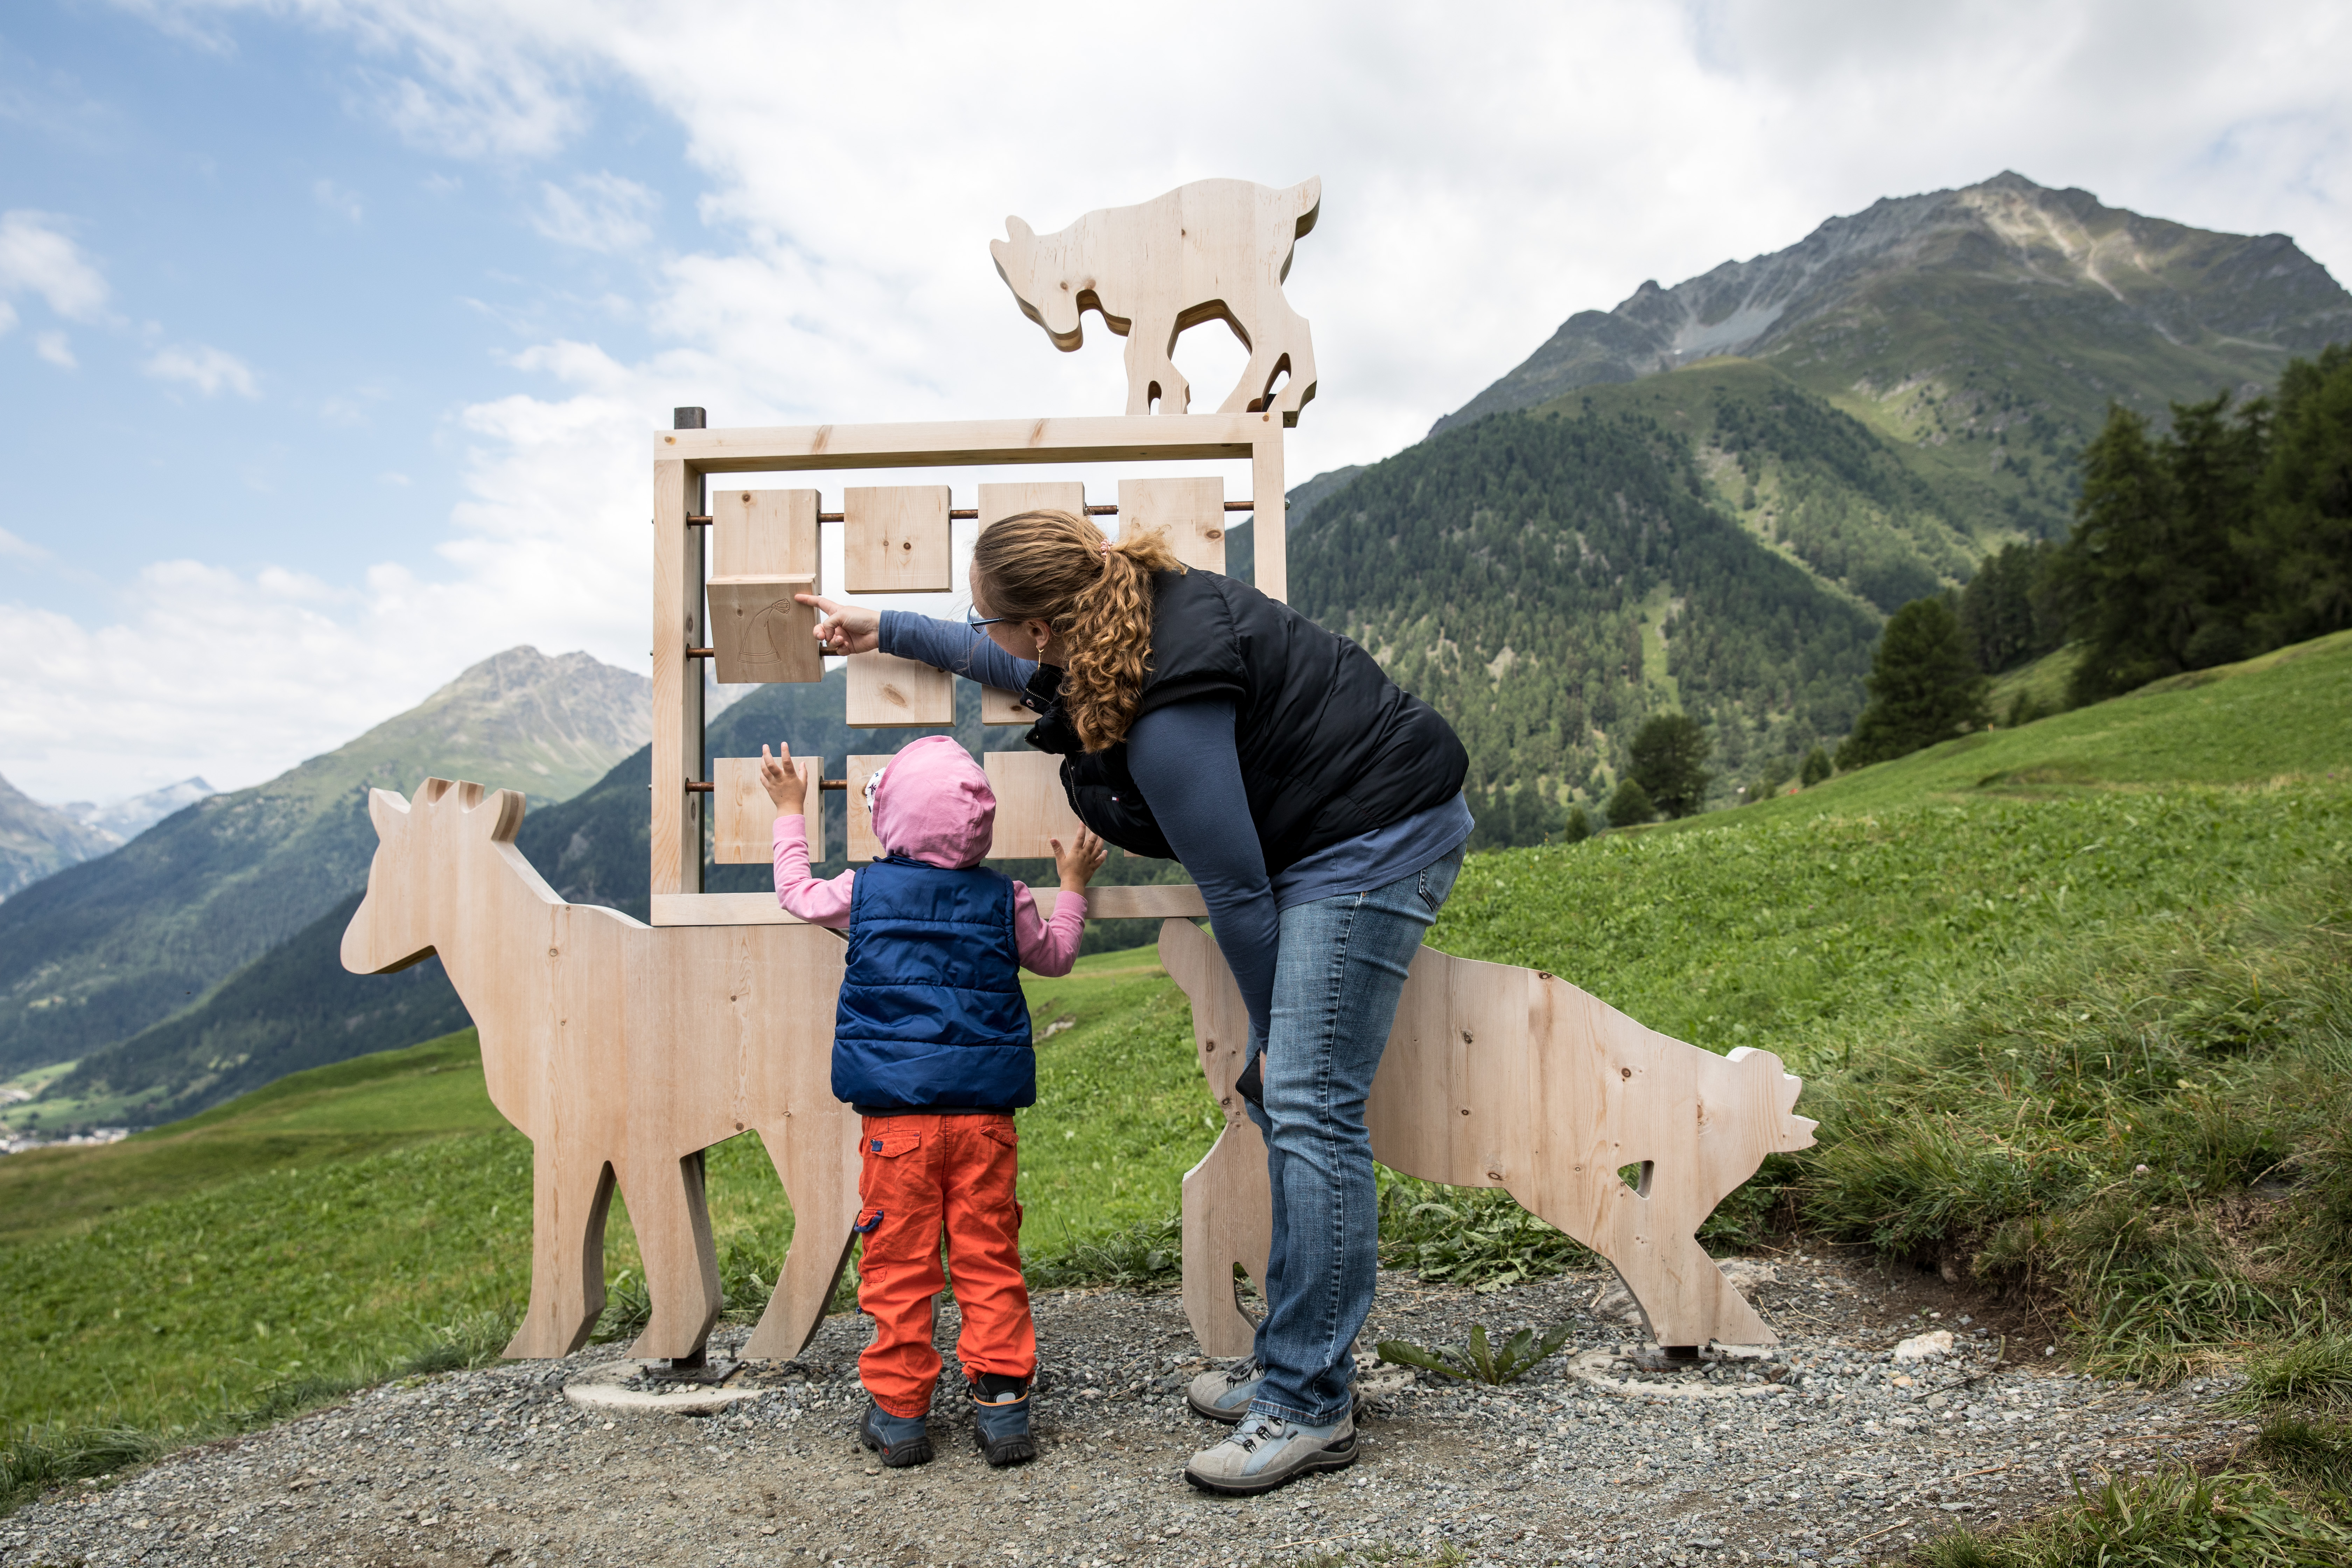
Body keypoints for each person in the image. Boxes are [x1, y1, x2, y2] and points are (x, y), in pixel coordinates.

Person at [797, 510, 1470, 1496]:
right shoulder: (1111, 613)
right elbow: (999, 659)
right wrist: (881, 627)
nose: (980, 631)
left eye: (989, 617)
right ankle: (1295, 1363)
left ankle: (1311, 1403)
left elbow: (1236, 888)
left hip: (1371, 840)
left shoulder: (1164, 701)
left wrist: (1280, 1033)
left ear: (1042, 625)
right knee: (1287, 1101)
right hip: (1324, 830)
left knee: (1308, 1102)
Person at [760, 733, 1108, 1469]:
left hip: (898, 1124)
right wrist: (1072, 883)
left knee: (899, 1263)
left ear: (891, 820)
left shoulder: (866, 893)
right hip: (985, 1121)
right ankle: (1005, 1406)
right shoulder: (1004, 897)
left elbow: (796, 893)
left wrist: (790, 809)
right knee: (989, 1254)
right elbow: (1058, 954)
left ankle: (900, 1413)